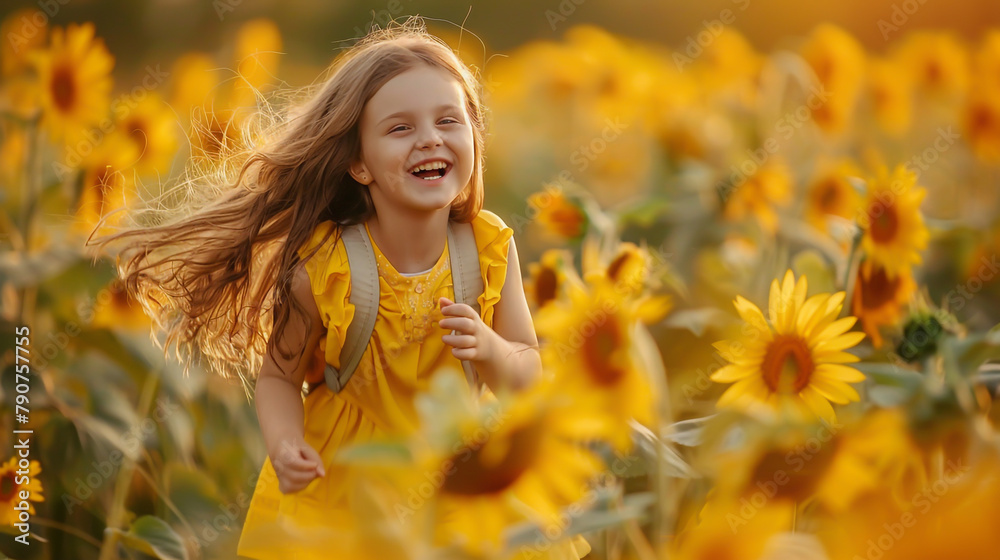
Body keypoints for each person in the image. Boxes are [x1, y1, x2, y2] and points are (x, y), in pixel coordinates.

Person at [86, 16, 590, 560]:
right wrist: (285, 444)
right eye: (400, 128)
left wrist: (491, 350)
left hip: (457, 481)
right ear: (357, 162)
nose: (430, 138)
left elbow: (528, 371)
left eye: (449, 120)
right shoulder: (328, 268)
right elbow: (279, 377)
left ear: (473, 135)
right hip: (349, 483)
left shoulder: (489, 248)